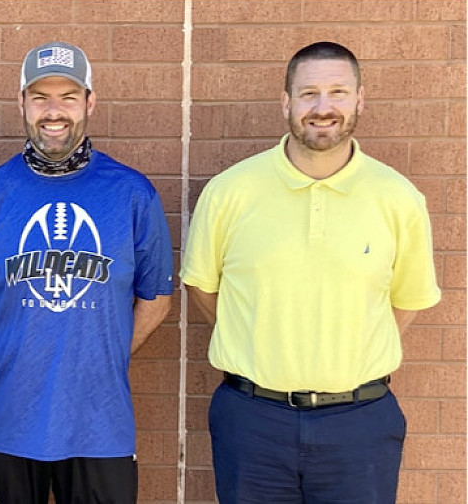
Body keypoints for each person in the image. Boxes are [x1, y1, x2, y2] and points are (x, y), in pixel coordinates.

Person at [180, 41, 442, 503]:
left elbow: (406, 301)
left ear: (360, 99)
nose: (323, 108)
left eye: (338, 92)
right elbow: (202, 288)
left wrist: (345, 358)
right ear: (286, 102)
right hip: (253, 420)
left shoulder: (398, 198)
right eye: (308, 94)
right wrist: (259, 340)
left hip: (359, 423)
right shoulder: (229, 192)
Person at [0, 41, 174, 504]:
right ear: (22, 103)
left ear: (90, 102)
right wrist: (2, 357)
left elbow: (157, 300)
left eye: (68, 97)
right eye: (40, 97)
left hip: (100, 426)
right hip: (7, 421)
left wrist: (102, 357)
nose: (54, 111)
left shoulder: (132, 194)